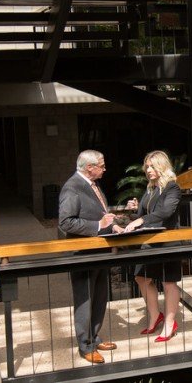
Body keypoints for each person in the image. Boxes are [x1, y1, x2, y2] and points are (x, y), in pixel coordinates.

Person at [58, 149, 123, 364]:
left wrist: (112, 224)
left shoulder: (92, 184)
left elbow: (100, 212)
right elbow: (66, 222)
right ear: (89, 167)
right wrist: (98, 225)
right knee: (85, 300)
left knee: (100, 297)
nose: (105, 169)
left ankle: (94, 338)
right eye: (101, 166)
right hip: (83, 254)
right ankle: (85, 345)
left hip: (99, 252)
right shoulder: (72, 187)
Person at [124, 150, 182, 342]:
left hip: (168, 241)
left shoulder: (172, 187)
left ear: (162, 166)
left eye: (152, 166)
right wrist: (134, 211)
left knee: (168, 282)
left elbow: (166, 212)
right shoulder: (150, 189)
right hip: (150, 242)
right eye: (147, 166)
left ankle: (170, 323)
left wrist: (140, 220)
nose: (148, 170)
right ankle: (156, 315)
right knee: (141, 277)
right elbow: (142, 215)